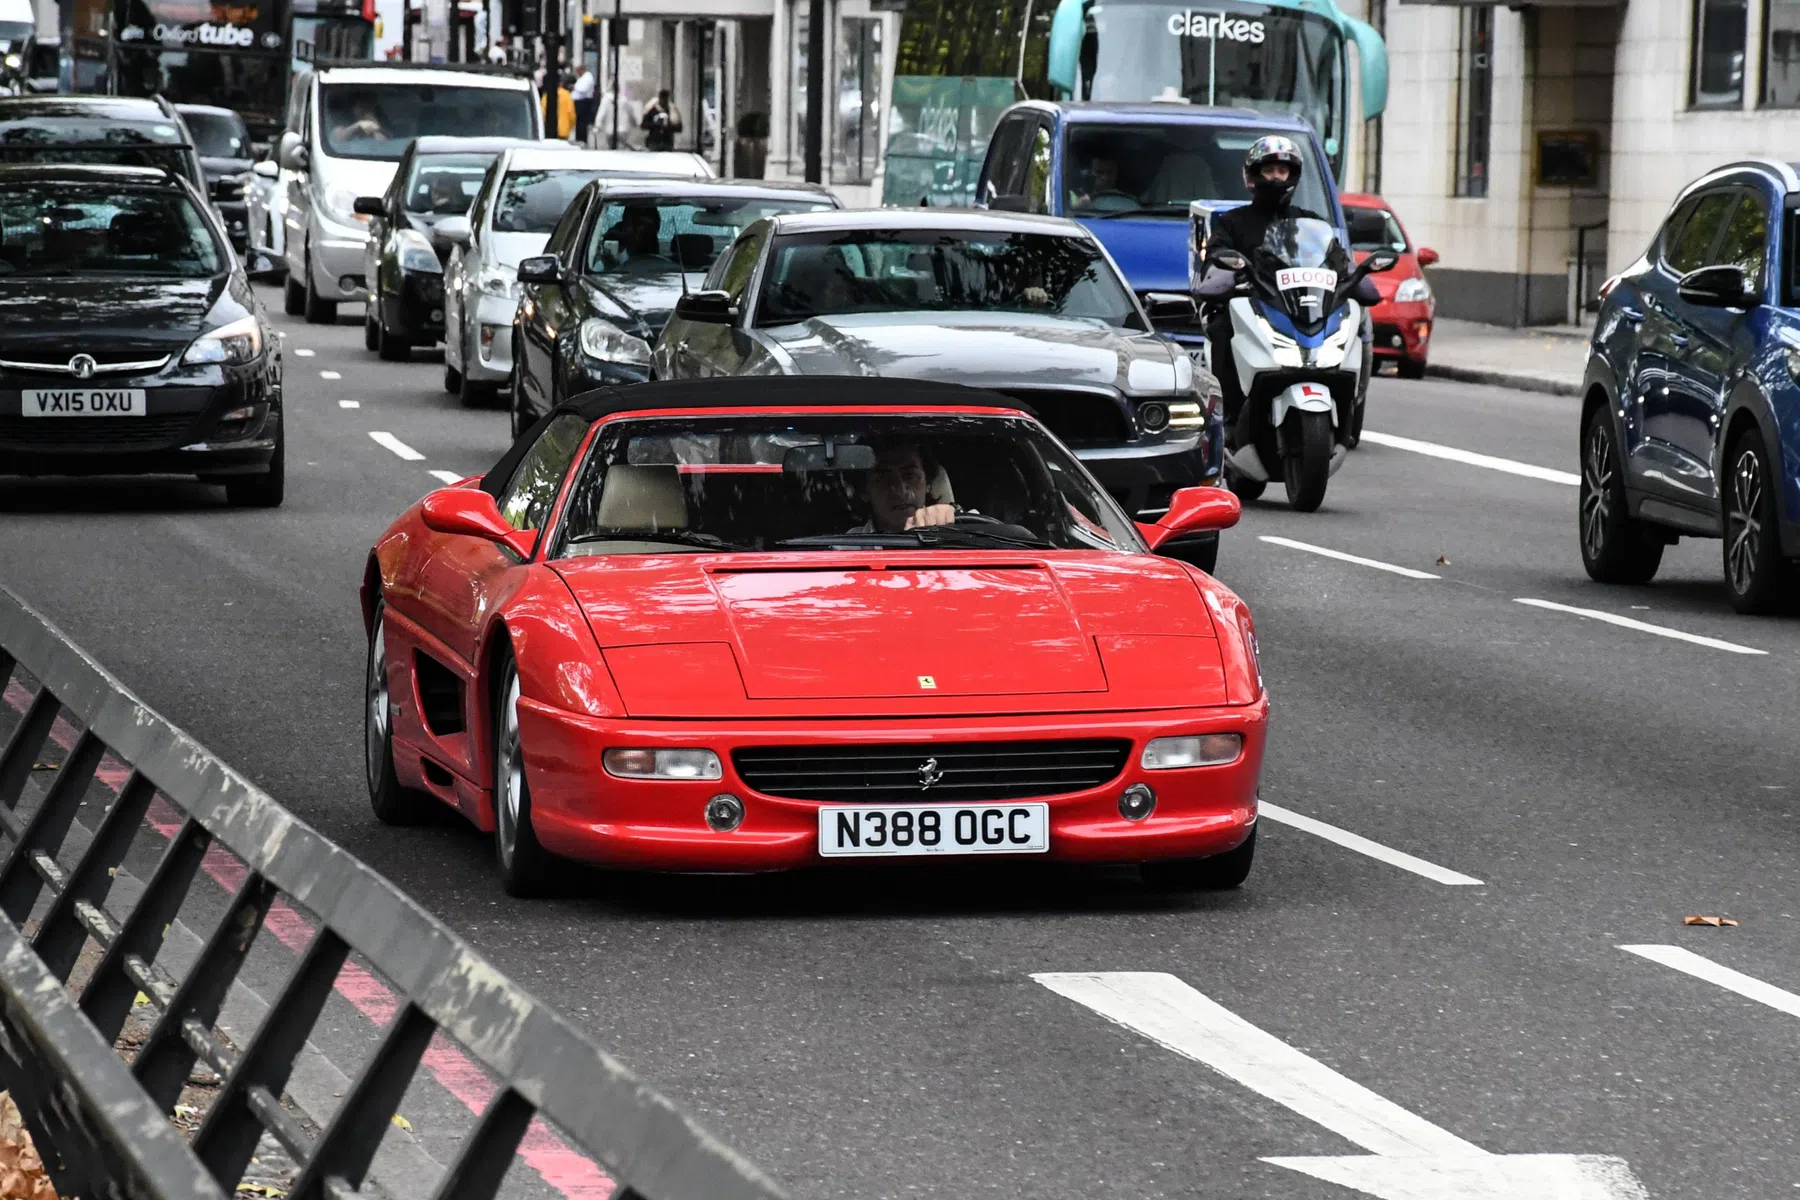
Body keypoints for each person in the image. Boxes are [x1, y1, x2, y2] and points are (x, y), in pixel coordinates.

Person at [1199, 135, 1373, 471]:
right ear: (1253, 176)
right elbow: (1216, 258)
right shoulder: (1233, 223)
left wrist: (1354, 275)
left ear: (1293, 176)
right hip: (1253, 310)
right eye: (1269, 170)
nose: (1277, 177)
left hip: (1299, 310)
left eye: (1283, 170)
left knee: (1358, 325)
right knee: (1221, 328)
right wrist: (1224, 272)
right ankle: (1229, 418)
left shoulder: (1311, 223)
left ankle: (1348, 415)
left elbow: (1336, 259)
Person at [850, 442, 955, 534]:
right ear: (864, 490)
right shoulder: (848, 545)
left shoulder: (955, 532)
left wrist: (952, 523)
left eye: (910, 475)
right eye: (883, 478)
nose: (900, 490)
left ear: (928, 483)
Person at [1068, 154, 1133, 213]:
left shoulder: (1129, 202)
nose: (1105, 178)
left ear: (1117, 172)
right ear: (1089, 172)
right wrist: (1078, 207)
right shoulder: (1070, 197)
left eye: (1110, 172)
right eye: (1099, 172)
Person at [543, 74, 577, 141]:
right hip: (564, 131)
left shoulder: (547, 95)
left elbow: (543, 112)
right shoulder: (567, 95)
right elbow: (572, 115)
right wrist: (569, 126)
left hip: (549, 131)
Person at [571, 65, 597, 144]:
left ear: (581, 70)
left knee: (582, 122)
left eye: (577, 71)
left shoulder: (588, 77)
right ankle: (578, 138)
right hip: (579, 102)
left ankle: (582, 139)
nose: (577, 73)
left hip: (583, 102)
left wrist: (574, 87)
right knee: (579, 122)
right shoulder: (582, 78)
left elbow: (583, 89)